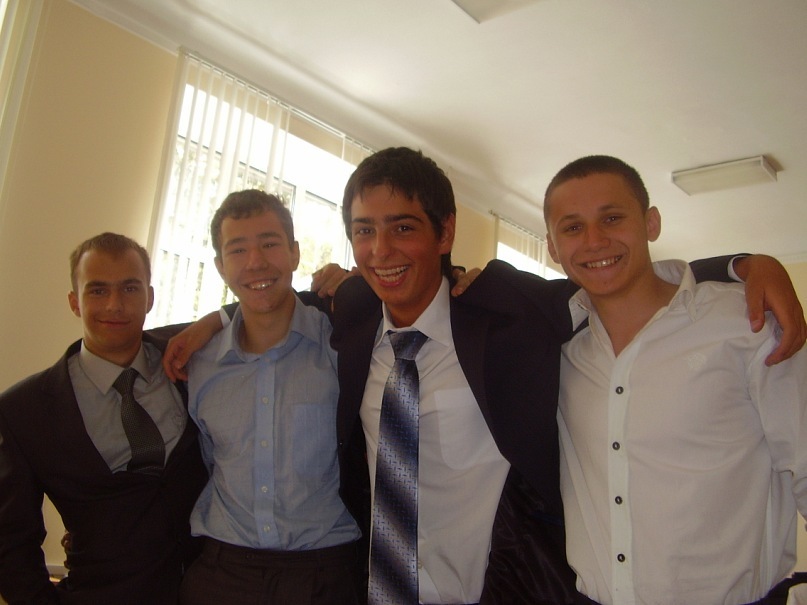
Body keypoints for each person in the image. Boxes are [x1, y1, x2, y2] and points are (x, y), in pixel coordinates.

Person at [166, 148, 806, 604]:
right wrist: (214, 319)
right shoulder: (353, 312)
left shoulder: (511, 314)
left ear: (445, 231)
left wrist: (747, 264)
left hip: (499, 588)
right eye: (365, 232)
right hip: (372, 586)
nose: (382, 251)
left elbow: (611, 275)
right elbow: (274, 296)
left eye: (403, 228)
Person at [536, 155, 806, 605]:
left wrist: (753, 264)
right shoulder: (559, 349)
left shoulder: (745, 324)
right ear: (552, 247)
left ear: (651, 223)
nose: (595, 240)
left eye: (612, 218)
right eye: (573, 227)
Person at [0, 233, 209, 605]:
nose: (115, 305)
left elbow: (262, 306)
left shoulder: (194, 354)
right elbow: (11, 542)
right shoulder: (23, 410)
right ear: (74, 302)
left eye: (130, 288)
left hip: (212, 587)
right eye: (97, 290)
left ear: (150, 297)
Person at [177, 190, 362, 605]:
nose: (255, 262)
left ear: (295, 253)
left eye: (269, 244)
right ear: (220, 266)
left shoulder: (343, 347)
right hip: (221, 573)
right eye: (237, 250)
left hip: (325, 574)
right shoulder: (197, 362)